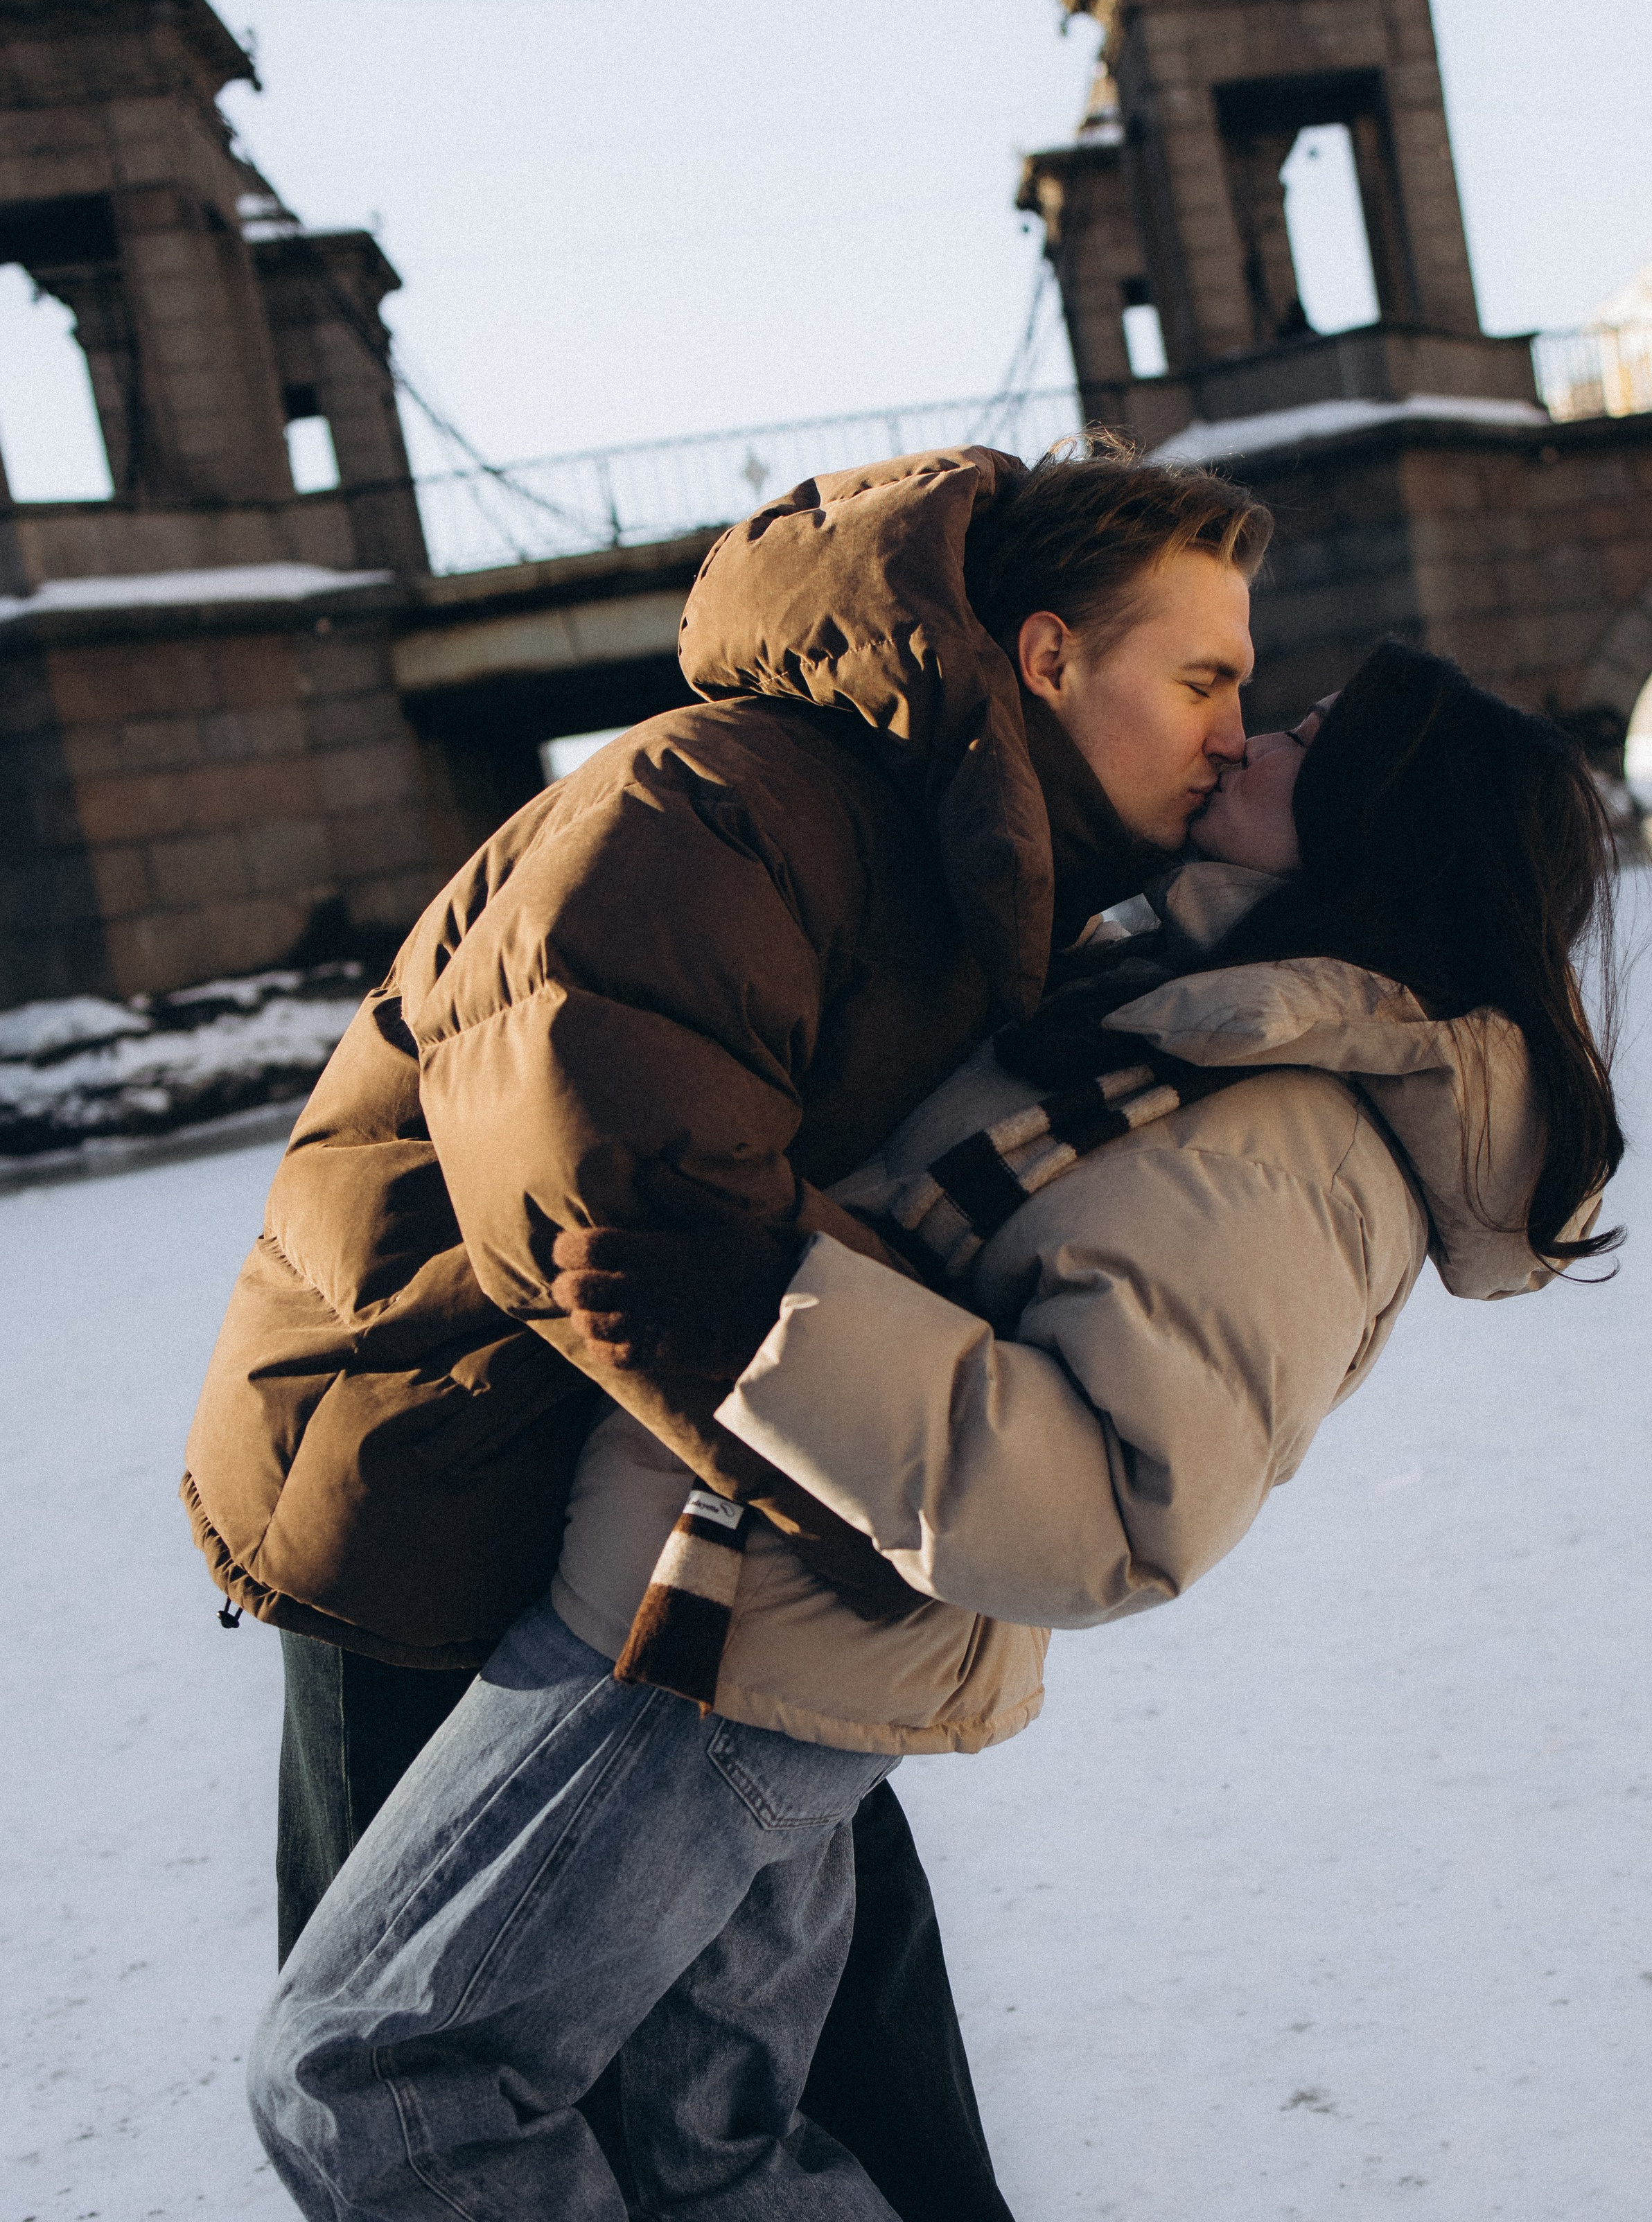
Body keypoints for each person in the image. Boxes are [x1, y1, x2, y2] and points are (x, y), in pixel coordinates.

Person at [245, 641, 1623, 2221]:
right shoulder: (1193, 1021)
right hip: (739, 1601)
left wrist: (758, 1323)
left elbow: (1116, 1515)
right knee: (711, 2145)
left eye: (1302, 738)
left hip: (725, 1632)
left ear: (1386, 822)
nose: (1244, 742)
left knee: (373, 2076)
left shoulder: (1291, 1140)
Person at [184, 439, 1273, 2222]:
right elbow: (615, 1198)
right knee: (424, 2096)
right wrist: (903, 1523)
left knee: (783, 2093)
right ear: (1053, 657)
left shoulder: (980, 855)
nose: (1236, 727)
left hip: (687, 1515)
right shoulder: (732, 802)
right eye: (1205, 678)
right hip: (450, 1501)